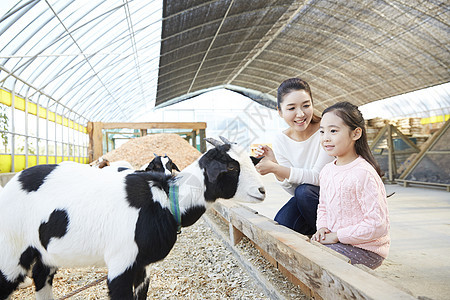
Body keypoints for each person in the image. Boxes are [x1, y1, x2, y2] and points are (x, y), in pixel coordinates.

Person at [311, 101, 390, 269]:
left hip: (365, 249)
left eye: (333, 131)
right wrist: (323, 228)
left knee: (316, 262)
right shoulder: (326, 171)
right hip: (337, 241)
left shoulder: (363, 173)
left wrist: (338, 236)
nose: (326, 138)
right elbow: (323, 206)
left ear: (355, 134)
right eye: (322, 131)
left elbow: (378, 225)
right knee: (304, 251)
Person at [255, 78, 333, 235]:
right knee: (282, 224)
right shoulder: (280, 140)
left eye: (306, 105)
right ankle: (318, 230)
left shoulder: (325, 130)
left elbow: (319, 178)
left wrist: (279, 168)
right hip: (311, 201)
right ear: (280, 111)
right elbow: (294, 191)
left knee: (304, 192)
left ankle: (329, 236)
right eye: (291, 108)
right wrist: (275, 167)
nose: (300, 114)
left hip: (335, 197)